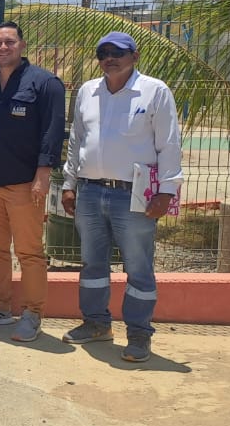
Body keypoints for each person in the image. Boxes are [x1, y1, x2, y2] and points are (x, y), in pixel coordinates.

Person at [60, 31, 183, 363]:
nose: (109, 58)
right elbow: (77, 141)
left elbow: (169, 144)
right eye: (103, 53)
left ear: (135, 56)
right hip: (90, 192)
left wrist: (167, 192)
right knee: (92, 263)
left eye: (118, 52)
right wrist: (69, 183)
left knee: (138, 266)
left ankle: (140, 334)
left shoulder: (155, 91)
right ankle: (96, 324)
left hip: (134, 196)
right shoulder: (87, 92)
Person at [0, 22, 66, 342]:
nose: (3, 47)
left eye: (9, 42)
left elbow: (52, 132)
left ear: (22, 45)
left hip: (25, 183)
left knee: (29, 252)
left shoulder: (45, 83)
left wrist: (43, 174)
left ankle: (32, 313)